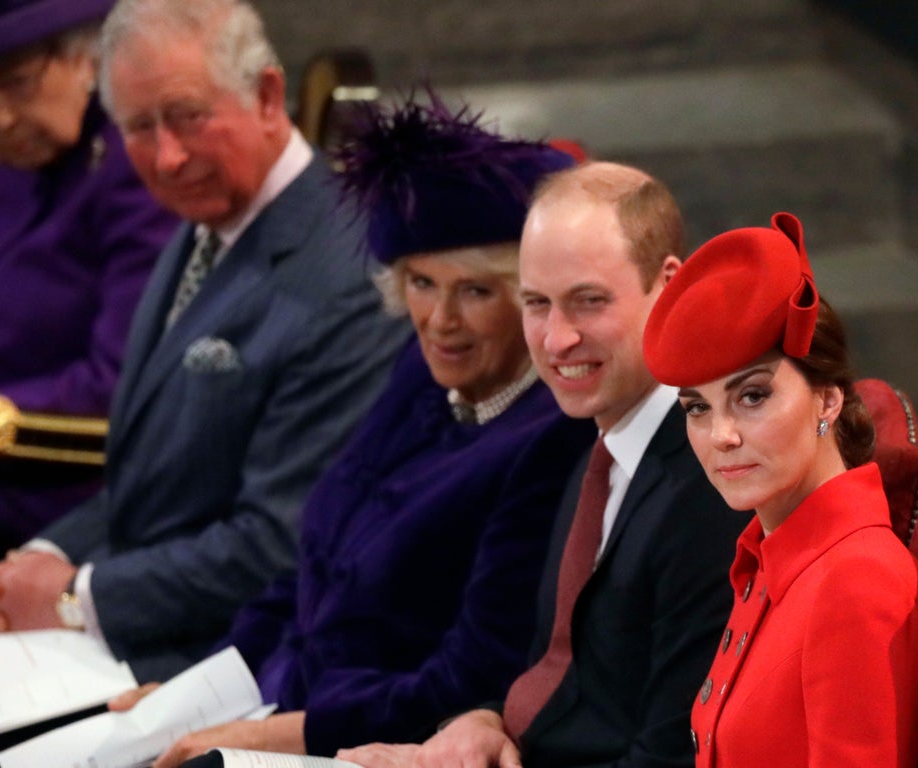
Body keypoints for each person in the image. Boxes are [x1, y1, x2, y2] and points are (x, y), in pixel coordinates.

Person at [105, 92, 593, 767]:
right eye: (421, 283)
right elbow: (305, 576)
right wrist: (195, 699)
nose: (440, 319)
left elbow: (471, 677)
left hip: (369, 746)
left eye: (475, 291)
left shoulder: (549, 438)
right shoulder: (421, 377)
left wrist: (269, 735)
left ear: (529, 299)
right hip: (275, 706)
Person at [0, 0, 407, 682]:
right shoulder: (207, 220)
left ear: (266, 96)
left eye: (188, 116)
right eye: (140, 127)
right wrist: (41, 559)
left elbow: (281, 545)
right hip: (139, 635)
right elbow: (154, 487)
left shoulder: (346, 274)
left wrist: (74, 596)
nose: (168, 157)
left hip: (240, 668)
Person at [339, 161, 747, 768]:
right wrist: (483, 721)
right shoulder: (597, 452)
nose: (556, 340)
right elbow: (563, 685)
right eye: (537, 303)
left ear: (668, 285)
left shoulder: (712, 483)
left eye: (588, 302)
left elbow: (669, 756)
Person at [0, 0, 179, 599]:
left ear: (86, 58)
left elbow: (118, 385)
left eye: (17, 83)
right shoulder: (19, 157)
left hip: (59, 475)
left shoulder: (139, 163)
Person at [641, 212, 918, 768]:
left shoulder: (854, 581)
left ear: (828, 398)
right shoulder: (772, 555)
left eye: (752, 396)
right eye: (697, 408)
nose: (721, 436)